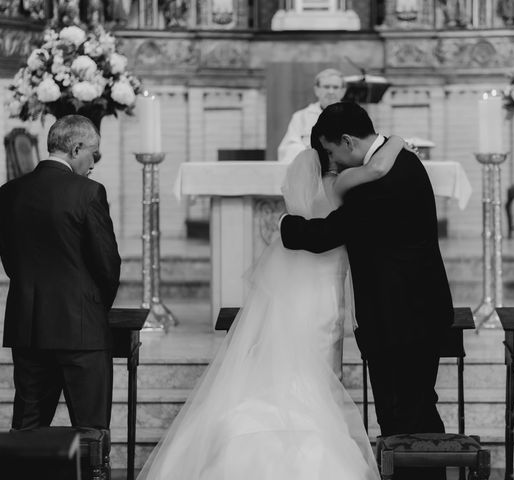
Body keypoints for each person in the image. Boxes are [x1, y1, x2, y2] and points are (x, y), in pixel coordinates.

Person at [136, 132, 406, 479]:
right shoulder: (341, 184)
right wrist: (396, 140)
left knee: (288, 355)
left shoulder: (300, 186)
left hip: (297, 286)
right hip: (325, 291)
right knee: (321, 364)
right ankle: (314, 426)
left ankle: (260, 429)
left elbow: (297, 226)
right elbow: (379, 169)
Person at [280, 102, 454, 480]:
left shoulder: (377, 183)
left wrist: (285, 226)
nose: (332, 162)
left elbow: (327, 234)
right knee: (417, 409)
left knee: (402, 418)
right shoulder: (402, 161)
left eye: (330, 152)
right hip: (416, 311)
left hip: (399, 320)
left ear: (346, 141)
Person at [0, 115, 121, 431]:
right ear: (76, 147)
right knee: (92, 432)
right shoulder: (89, 192)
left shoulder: (9, 192)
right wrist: (93, 308)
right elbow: (107, 266)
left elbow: (11, 262)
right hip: (81, 331)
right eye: (93, 154)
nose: (93, 163)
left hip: (28, 327)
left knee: (27, 431)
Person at [277, 68, 346, 163]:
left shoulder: (355, 116)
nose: (331, 91)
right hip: (310, 169)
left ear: (343, 91)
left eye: (335, 87)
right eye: (326, 87)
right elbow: (288, 148)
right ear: (317, 90)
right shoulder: (301, 117)